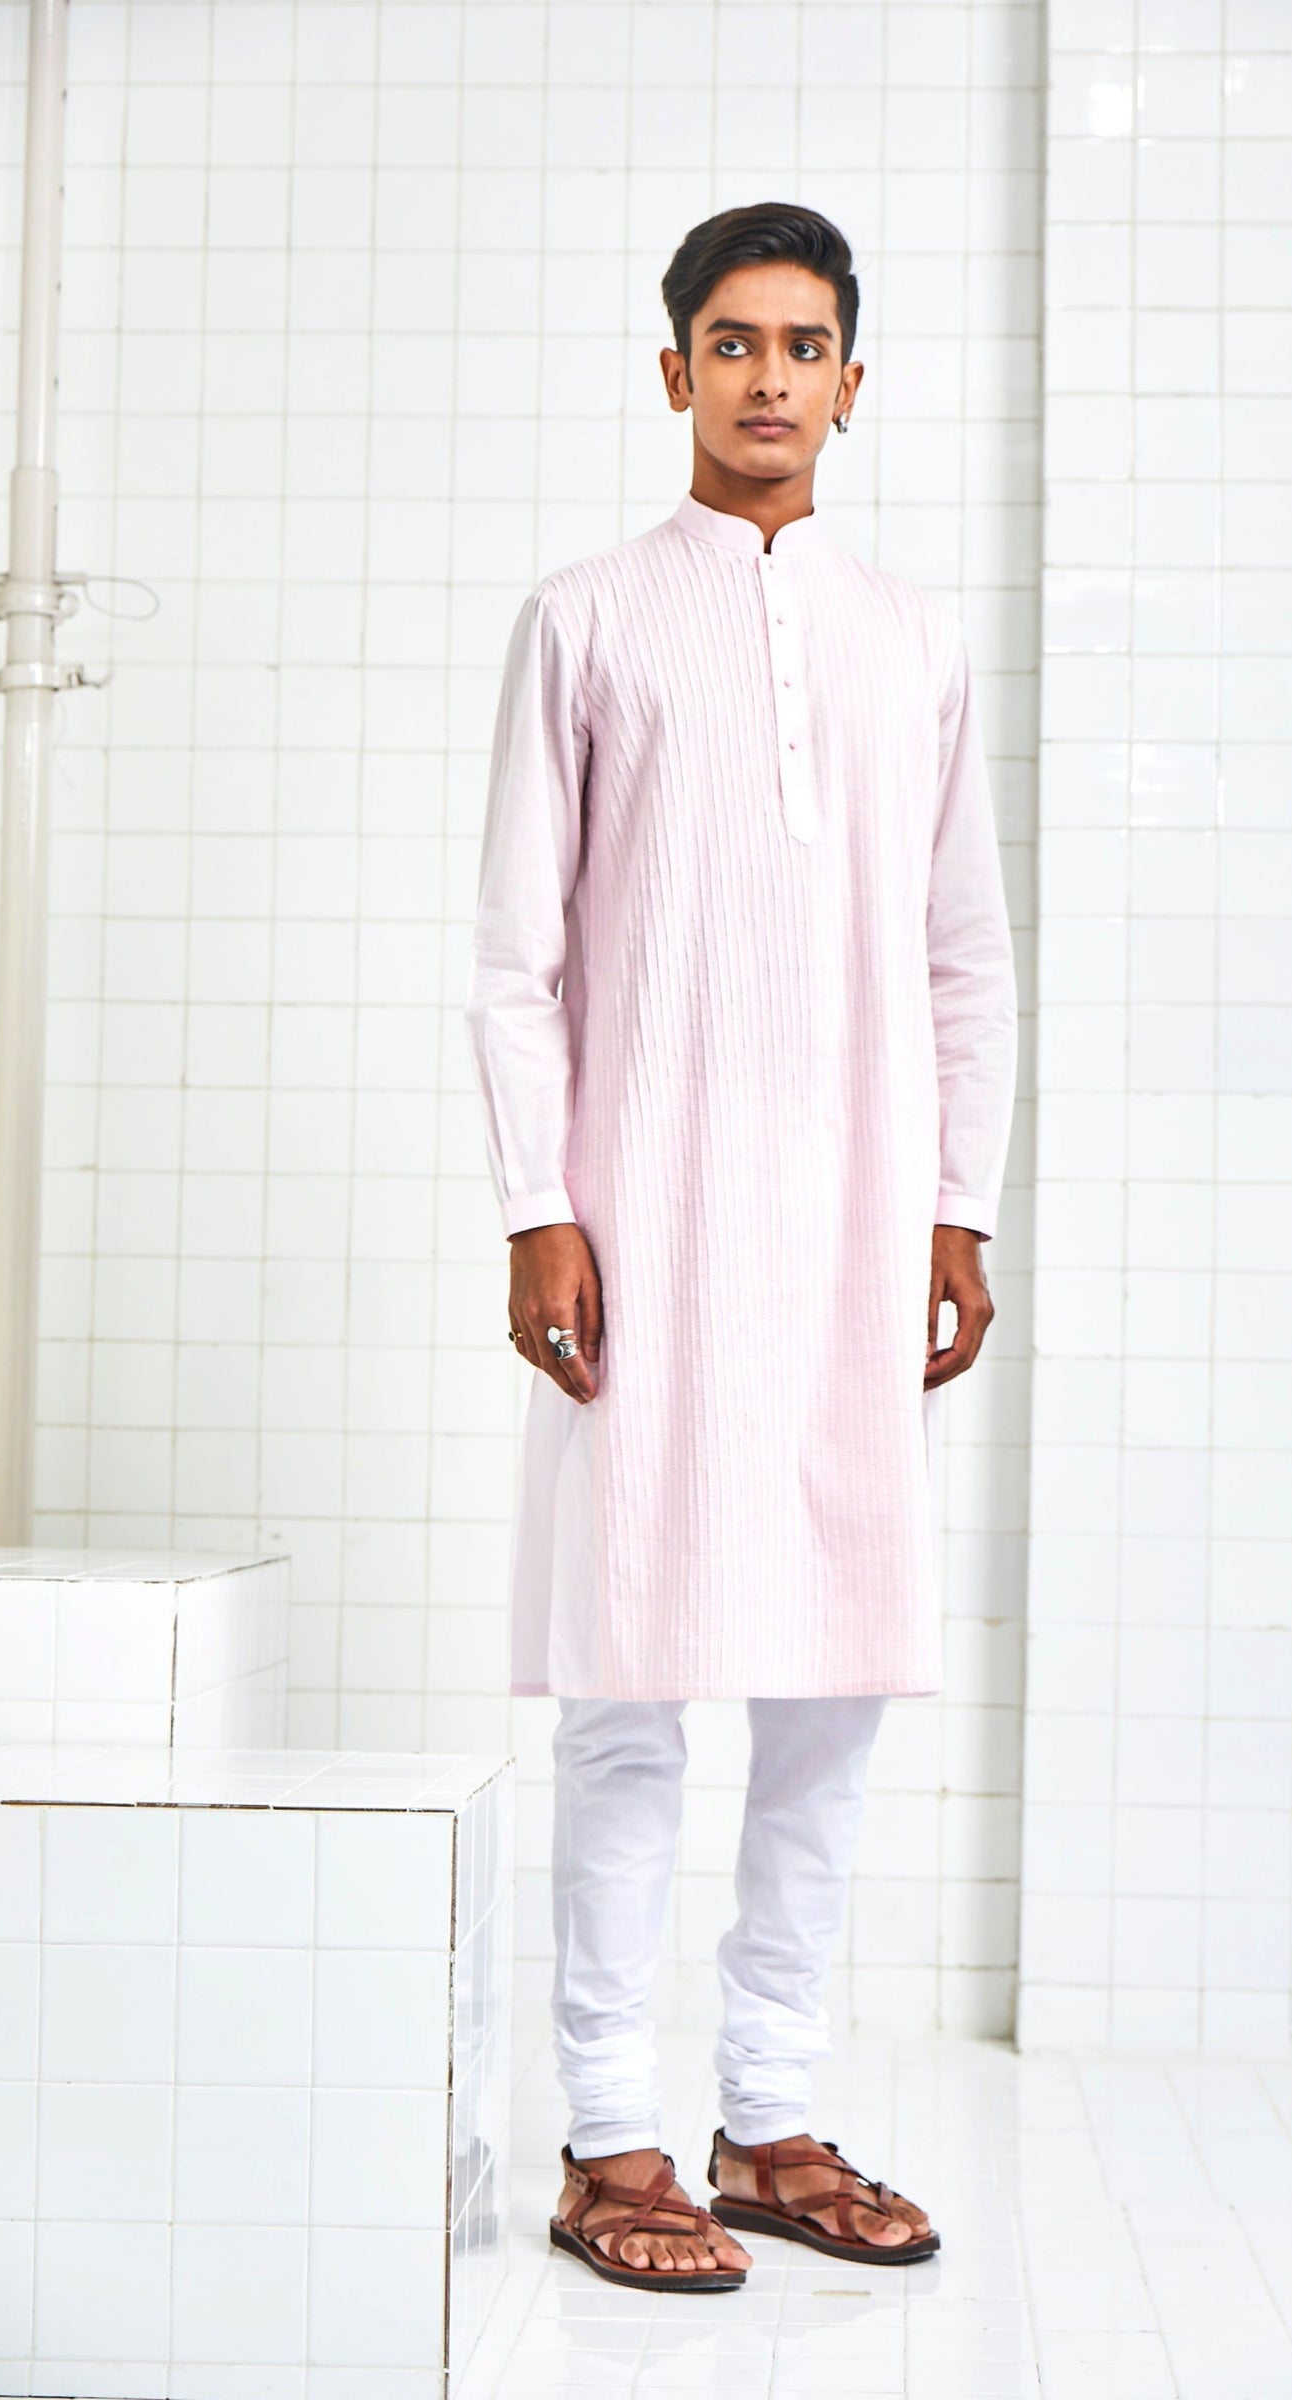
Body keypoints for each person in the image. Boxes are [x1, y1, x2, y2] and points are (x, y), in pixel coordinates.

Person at [465, 200, 1018, 2291]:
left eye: (801, 345)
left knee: (833, 1683)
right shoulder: (587, 620)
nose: (767, 375)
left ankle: (767, 2118)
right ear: (673, 371)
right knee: (629, 1683)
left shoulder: (912, 642)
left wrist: (959, 1200)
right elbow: (513, 954)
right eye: (730, 340)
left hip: (861, 1223)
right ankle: (611, 2140)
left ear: (851, 386)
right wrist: (539, 1205)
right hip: (650, 1218)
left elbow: (963, 953)